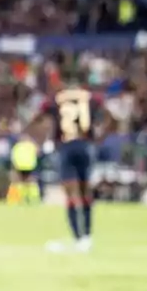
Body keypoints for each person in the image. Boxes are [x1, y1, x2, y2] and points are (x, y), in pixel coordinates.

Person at [34, 69, 103, 252]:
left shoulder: (57, 98)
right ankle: (87, 236)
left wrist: (44, 138)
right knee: (86, 192)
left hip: (67, 146)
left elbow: (40, 113)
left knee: (71, 193)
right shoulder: (90, 97)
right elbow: (106, 112)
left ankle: (78, 238)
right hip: (85, 146)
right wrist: (98, 137)